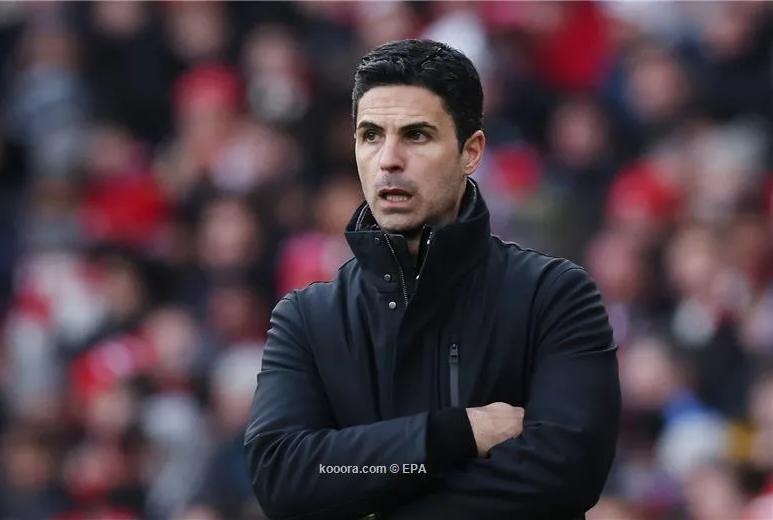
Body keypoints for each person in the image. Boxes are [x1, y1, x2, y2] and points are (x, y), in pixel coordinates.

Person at [244, 39, 621, 520]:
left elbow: (566, 472)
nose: (388, 159)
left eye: (416, 135)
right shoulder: (306, 318)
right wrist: (454, 434)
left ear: (471, 152)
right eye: (371, 135)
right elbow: (283, 477)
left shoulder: (554, 295)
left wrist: (368, 494)